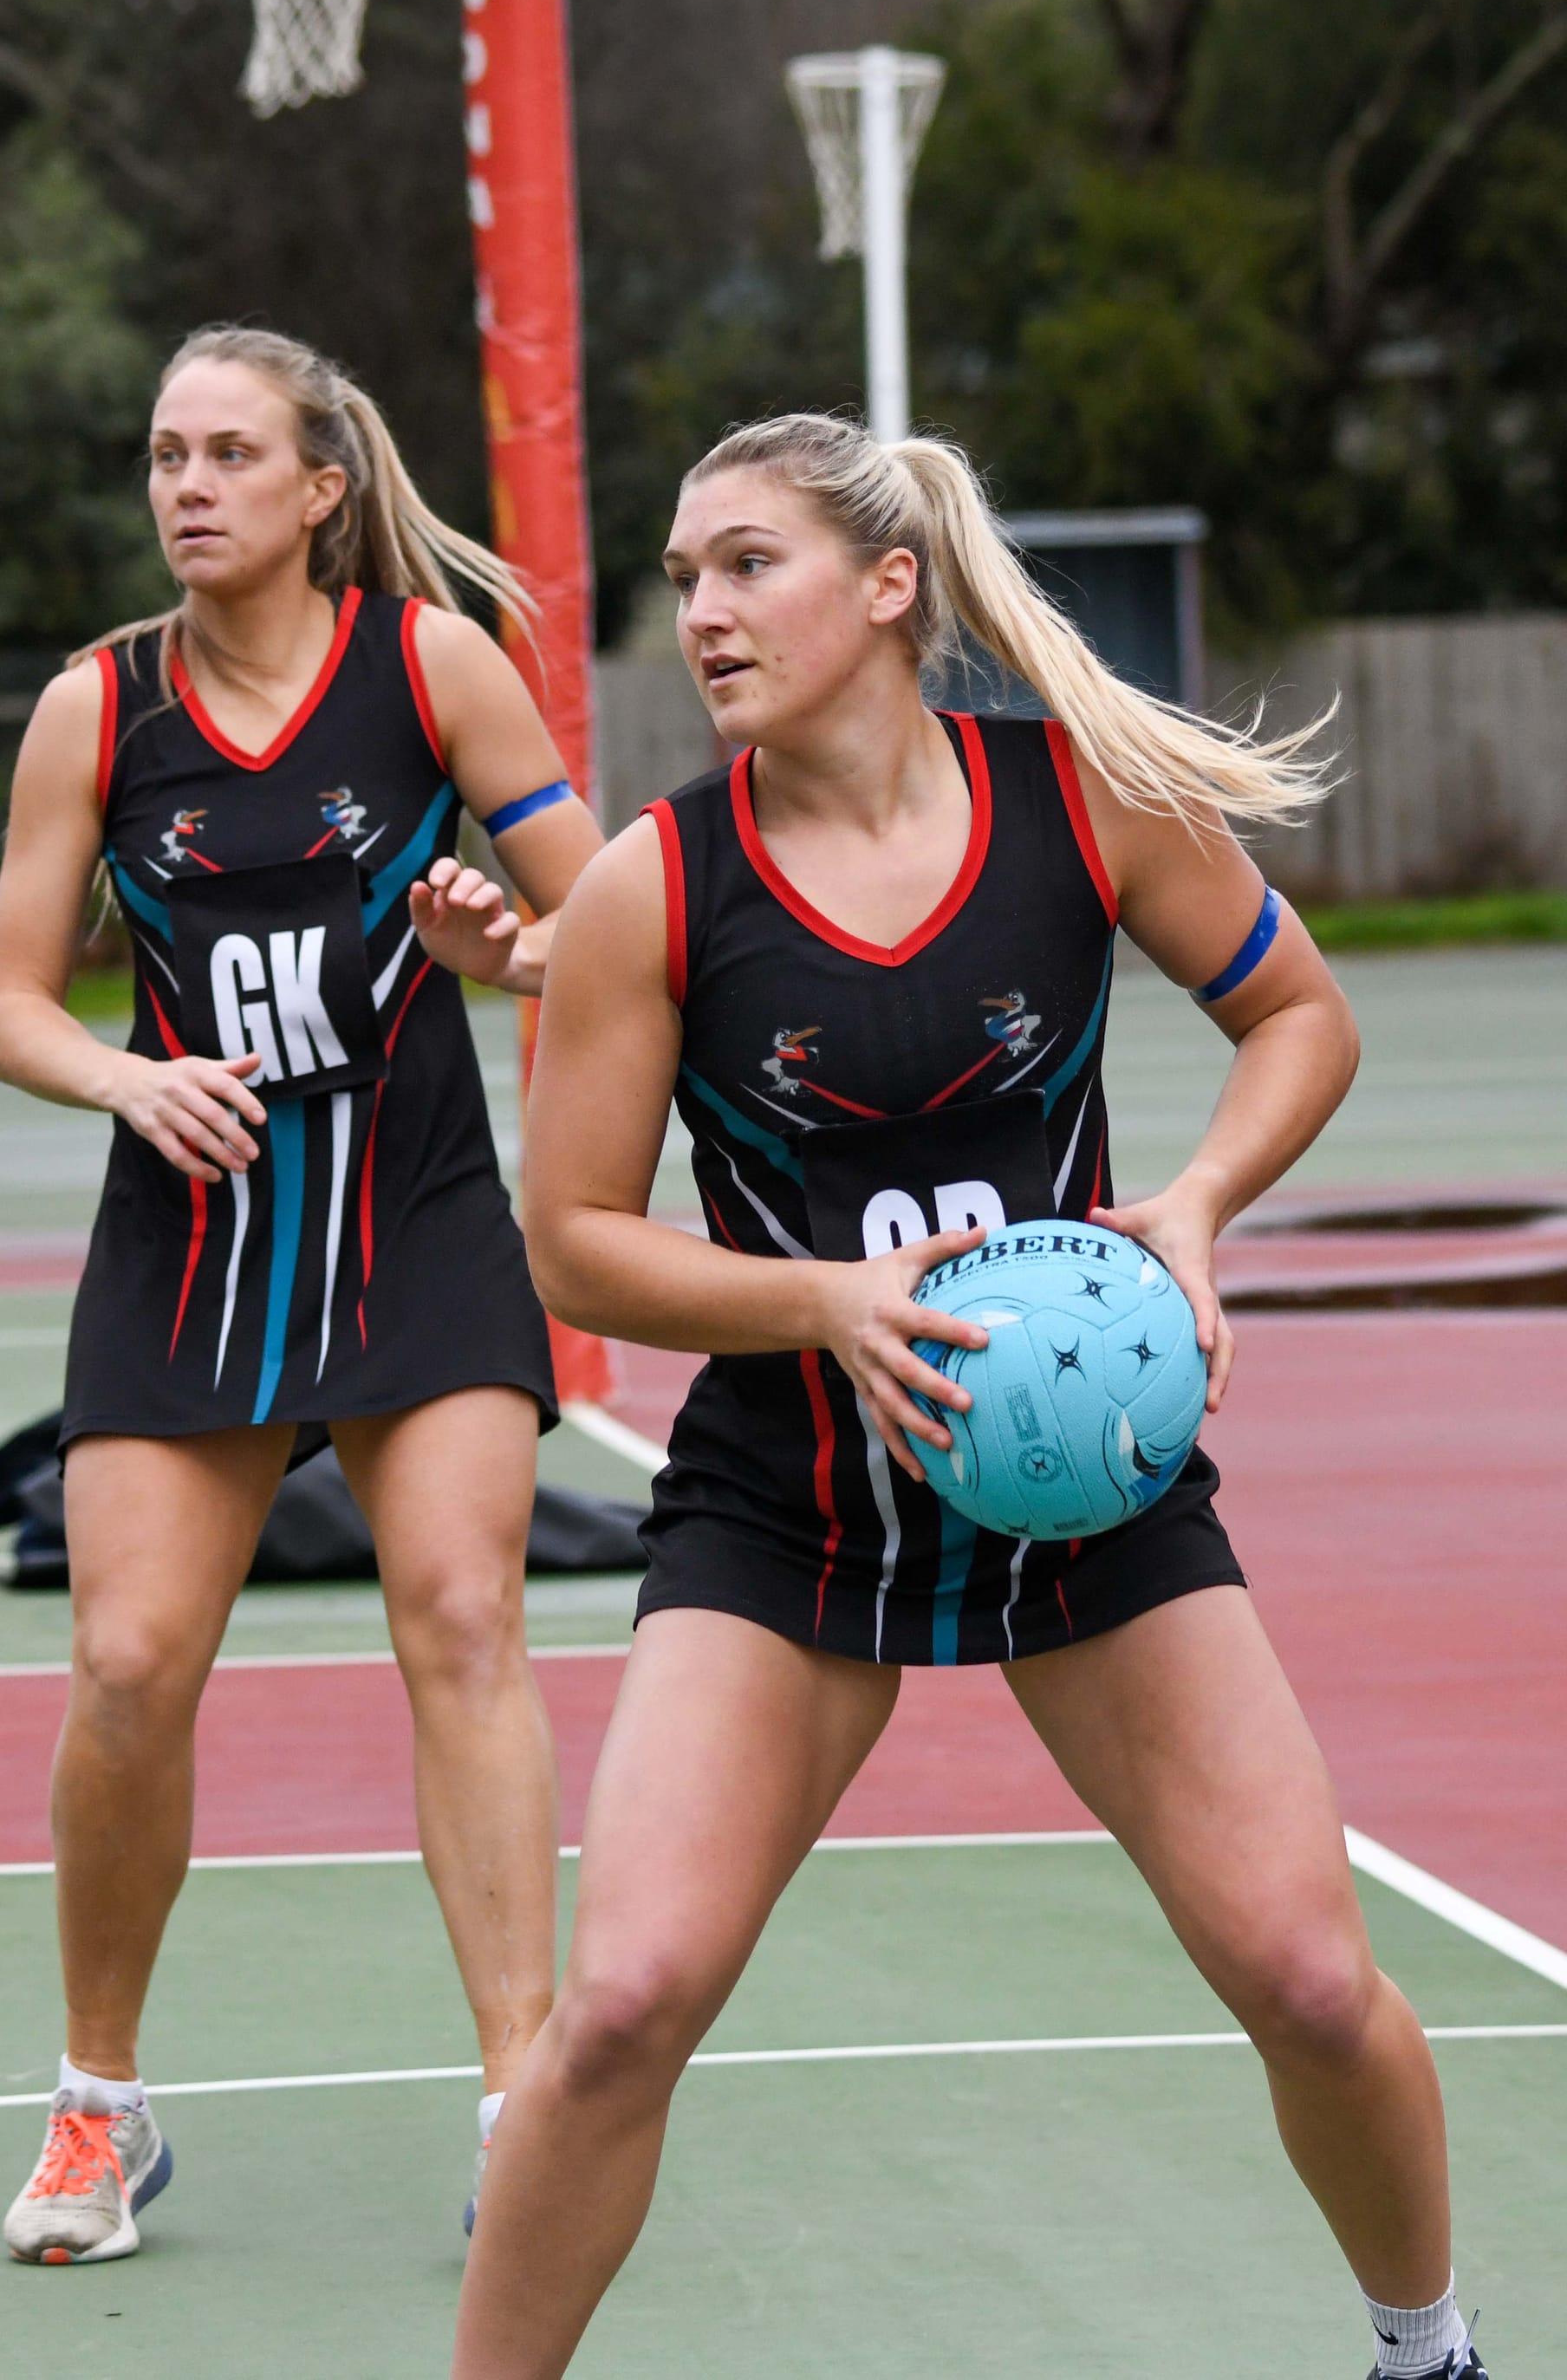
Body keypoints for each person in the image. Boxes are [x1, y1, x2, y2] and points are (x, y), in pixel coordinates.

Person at [450, 413, 1486, 2380]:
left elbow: (1300, 1016)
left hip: (1086, 1475)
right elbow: (573, 1241)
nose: (703, 612)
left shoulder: (1079, 805)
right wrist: (822, 1300)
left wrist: (1186, 1203)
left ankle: (1427, 2351)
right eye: (682, 578)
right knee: (628, 2004)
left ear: (890, 584)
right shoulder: (654, 889)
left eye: (746, 564)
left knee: (1306, 1974)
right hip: (787, 1503)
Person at [0, 323, 601, 2266]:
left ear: (320, 488)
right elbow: (8, 1003)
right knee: (128, 1666)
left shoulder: (431, 670)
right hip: (192, 1241)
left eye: (230, 452)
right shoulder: (99, 711)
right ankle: (100, 2109)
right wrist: (120, 1072)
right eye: (166, 451)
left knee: (462, 1614)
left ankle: (524, 2109)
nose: (185, 485)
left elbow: (610, 929)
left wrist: (502, 945)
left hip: (412, 1223)